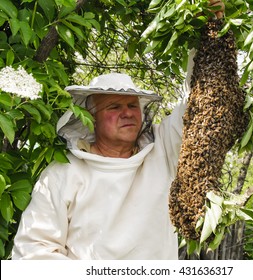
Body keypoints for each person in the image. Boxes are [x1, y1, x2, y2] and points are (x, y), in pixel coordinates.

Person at [12, 1, 224, 260]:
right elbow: (32, 251)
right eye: (114, 106)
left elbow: (199, 105)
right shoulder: (62, 173)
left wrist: (208, 29)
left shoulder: (162, 151)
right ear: (92, 117)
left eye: (132, 105)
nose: (127, 113)